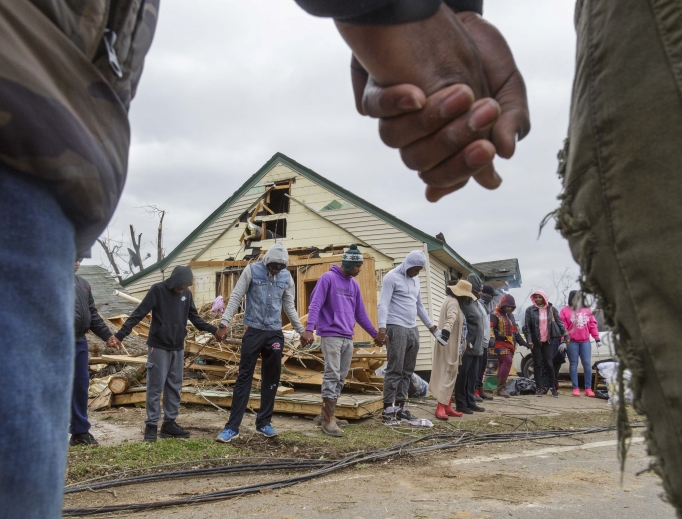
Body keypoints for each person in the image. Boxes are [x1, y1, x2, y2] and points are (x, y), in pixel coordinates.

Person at [114, 266, 224, 442]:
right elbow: (138, 314)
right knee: (155, 387)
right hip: (158, 346)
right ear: (174, 281)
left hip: (177, 347)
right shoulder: (157, 290)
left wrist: (213, 330)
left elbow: (194, 318)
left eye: (185, 287)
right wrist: (120, 335)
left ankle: (169, 424)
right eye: (180, 286)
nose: (182, 289)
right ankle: (151, 425)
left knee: (174, 385)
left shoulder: (186, 294)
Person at [216, 244, 311, 443]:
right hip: (253, 331)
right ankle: (232, 428)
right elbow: (235, 296)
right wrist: (223, 323)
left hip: (274, 333)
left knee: (272, 379)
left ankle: (264, 423)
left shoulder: (286, 277)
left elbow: (289, 306)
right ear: (267, 261)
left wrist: (302, 331)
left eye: (279, 267)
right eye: (273, 267)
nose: (276, 270)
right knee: (244, 378)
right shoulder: (252, 270)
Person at [301, 245, 381, 437]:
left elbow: (360, 314)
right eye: (357, 266)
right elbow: (315, 304)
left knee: (341, 377)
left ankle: (328, 415)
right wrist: (309, 329)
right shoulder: (327, 279)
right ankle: (328, 421)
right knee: (332, 374)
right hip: (330, 335)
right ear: (349, 263)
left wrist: (374, 334)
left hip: (347, 337)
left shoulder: (353, 285)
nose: (359, 269)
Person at [376, 250, 438, 424]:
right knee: (395, 369)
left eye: (420, 269)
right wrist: (382, 329)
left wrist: (432, 327)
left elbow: (419, 306)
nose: (417, 272)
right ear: (408, 265)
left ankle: (401, 408)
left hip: (412, 328)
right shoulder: (392, 277)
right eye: (416, 269)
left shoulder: (415, 280)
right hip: (396, 326)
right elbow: (383, 304)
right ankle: (388, 409)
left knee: (408, 370)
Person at [71, 259, 122, 446]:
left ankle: (79, 432)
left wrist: (107, 336)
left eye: (80, 259)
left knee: (80, 386)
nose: (77, 262)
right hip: (55, 343)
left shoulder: (83, 284)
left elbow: (92, 314)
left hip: (79, 342)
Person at [523, 290, 569, 398]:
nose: (538, 299)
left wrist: (566, 335)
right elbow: (527, 327)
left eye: (540, 297)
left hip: (548, 341)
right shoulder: (530, 310)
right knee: (538, 364)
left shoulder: (551, 309)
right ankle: (539, 388)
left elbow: (560, 323)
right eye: (536, 297)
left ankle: (552, 387)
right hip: (535, 342)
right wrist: (529, 340)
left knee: (549, 364)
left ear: (544, 298)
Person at [455, 275, 487, 414]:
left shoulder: (476, 303)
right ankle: (461, 403)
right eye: (479, 290)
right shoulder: (464, 304)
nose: (481, 293)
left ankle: (471, 401)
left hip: (478, 348)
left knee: (473, 377)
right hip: (467, 348)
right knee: (463, 376)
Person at [560, 290, 600, 398]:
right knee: (573, 364)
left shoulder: (586, 310)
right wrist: (563, 340)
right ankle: (575, 388)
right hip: (571, 342)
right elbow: (562, 327)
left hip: (585, 342)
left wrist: (597, 338)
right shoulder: (565, 311)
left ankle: (588, 388)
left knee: (587, 363)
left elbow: (592, 325)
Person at [489, 294, 527, 398]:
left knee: (503, 364)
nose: (509, 308)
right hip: (498, 342)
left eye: (511, 306)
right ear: (502, 305)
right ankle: (501, 388)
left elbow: (515, 332)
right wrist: (491, 339)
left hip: (509, 344)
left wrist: (523, 343)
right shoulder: (495, 314)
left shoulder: (510, 315)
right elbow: (490, 327)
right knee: (507, 361)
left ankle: (499, 389)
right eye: (507, 306)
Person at [475, 284, 497, 401]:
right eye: (490, 295)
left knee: (482, 367)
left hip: (485, 341)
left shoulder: (486, 306)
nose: (492, 297)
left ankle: (479, 387)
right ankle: (474, 390)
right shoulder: (477, 304)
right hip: (478, 341)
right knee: (477, 368)